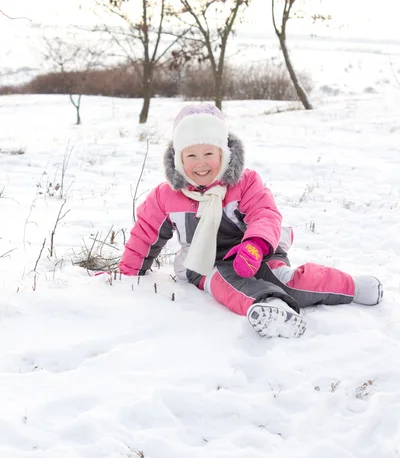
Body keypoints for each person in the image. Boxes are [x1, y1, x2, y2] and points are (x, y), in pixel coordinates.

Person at [119, 104, 383, 338]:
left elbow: (264, 214)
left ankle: (352, 286)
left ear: (224, 153)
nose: (201, 164)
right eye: (191, 156)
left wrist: (255, 245)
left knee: (287, 280)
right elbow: (145, 235)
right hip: (204, 262)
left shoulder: (245, 183)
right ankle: (272, 307)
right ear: (178, 159)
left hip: (257, 251)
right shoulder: (165, 197)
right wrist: (126, 275)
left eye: (209, 153)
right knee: (224, 283)